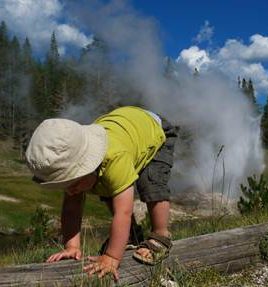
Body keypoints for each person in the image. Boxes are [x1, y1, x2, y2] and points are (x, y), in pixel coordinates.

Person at [25, 106, 177, 281]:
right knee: (108, 189)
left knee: (151, 185)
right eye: (64, 185)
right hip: (127, 128)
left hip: (154, 130)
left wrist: (112, 257)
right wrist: (71, 246)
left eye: (72, 182)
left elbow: (124, 212)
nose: (70, 190)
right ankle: (131, 236)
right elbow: (71, 210)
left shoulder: (115, 158)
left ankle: (161, 235)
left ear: (87, 165)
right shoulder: (75, 167)